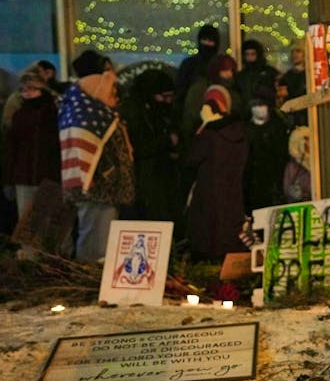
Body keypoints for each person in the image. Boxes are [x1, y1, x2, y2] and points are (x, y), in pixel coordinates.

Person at [59, 67, 135, 262]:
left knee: (105, 243)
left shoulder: (102, 115)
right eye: (111, 92)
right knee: (96, 245)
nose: (114, 97)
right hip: (98, 191)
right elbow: (85, 157)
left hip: (109, 191)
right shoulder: (86, 119)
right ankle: (89, 282)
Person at [185, 85, 248, 262]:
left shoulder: (209, 134)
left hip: (209, 193)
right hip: (233, 192)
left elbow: (191, 158)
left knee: (210, 237)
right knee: (229, 232)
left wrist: (202, 128)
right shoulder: (240, 131)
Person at [2, 67, 61, 253]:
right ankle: (31, 263)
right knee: (28, 224)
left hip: (47, 175)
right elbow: (11, 149)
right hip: (26, 176)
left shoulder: (52, 114)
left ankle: (48, 261)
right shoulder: (20, 115)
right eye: (24, 90)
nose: (28, 93)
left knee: (49, 222)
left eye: (32, 89)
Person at [118, 68, 183, 225]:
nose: (168, 101)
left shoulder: (155, 110)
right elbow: (141, 146)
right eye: (164, 96)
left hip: (157, 174)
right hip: (144, 178)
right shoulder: (135, 112)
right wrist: (166, 141)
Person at [243, 89, 290, 212]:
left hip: (273, 180)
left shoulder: (277, 126)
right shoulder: (246, 129)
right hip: (253, 183)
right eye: (255, 105)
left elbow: (282, 154)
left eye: (262, 105)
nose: (259, 108)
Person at [175, 24, 221, 108]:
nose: (207, 44)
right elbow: (181, 91)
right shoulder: (189, 65)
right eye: (204, 40)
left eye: (210, 41)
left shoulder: (221, 64)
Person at [235, 39, 279, 119]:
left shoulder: (269, 72)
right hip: (246, 115)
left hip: (267, 114)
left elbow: (277, 93)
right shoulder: (241, 76)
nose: (250, 57)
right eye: (247, 54)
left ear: (258, 54)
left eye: (253, 54)